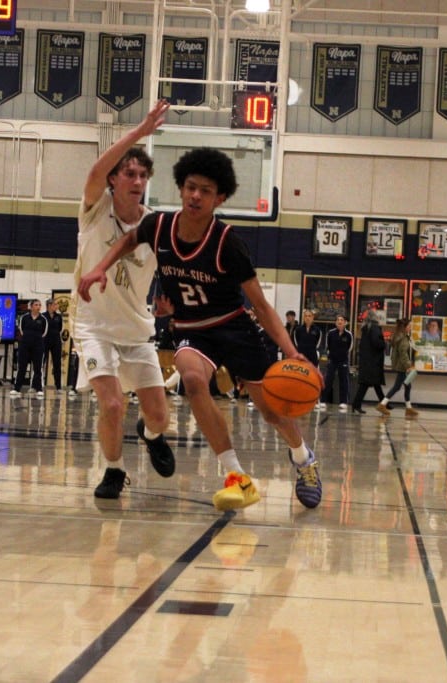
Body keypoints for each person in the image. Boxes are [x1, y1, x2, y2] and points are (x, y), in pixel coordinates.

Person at [79, 145, 321, 511]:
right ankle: (237, 477)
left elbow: (260, 304)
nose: (195, 195)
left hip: (234, 328)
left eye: (205, 191)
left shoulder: (228, 243)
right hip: (193, 329)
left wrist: (290, 351)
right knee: (192, 380)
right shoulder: (158, 225)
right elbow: (131, 239)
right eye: (190, 187)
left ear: (219, 198)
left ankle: (304, 460)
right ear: (180, 187)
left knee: (272, 411)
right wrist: (100, 267)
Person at [68, 99, 175, 499]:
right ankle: (114, 470)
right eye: (129, 173)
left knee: (160, 417)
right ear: (114, 179)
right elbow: (95, 170)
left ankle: (149, 435)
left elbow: (171, 270)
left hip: (136, 330)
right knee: (112, 404)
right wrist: (139, 133)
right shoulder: (95, 210)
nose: (136, 180)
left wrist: (172, 304)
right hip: (94, 325)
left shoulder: (155, 225)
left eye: (142, 175)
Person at [377, 317, 418, 417]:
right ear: (405, 327)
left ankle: (408, 408)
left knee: (408, 385)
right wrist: (408, 366)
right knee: (397, 386)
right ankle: (382, 404)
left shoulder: (400, 336)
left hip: (401, 364)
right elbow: (403, 353)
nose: (410, 327)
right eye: (409, 326)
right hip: (402, 366)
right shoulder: (403, 338)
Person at [351, 309, 386, 414]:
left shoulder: (365, 329)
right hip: (373, 361)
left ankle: (384, 403)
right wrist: (384, 344)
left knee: (373, 384)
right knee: (367, 384)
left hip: (366, 360)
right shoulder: (375, 328)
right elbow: (376, 342)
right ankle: (357, 404)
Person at [11, 299, 48, 399]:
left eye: (40, 305)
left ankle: (39, 389)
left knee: (37, 368)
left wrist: (35, 339)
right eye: (36, 305)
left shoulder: (43, 319)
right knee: (21, 367)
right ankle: (17, 388)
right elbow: (21, 330)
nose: (38, 307)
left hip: (38, 346)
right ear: (31, 307)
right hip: (25, 345)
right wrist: (28, 338)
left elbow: (44, 333)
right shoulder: (24, 318)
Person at [322, 314, 352, 412]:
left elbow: (350, 347)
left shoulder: (348, 335)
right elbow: (328, 345)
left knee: (344, 381)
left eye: (342, 320)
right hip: (332, 360)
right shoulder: (330, 333)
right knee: (328, 380)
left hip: (343, 361)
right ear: (335, 322)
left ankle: (343, 402)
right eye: (338, 320)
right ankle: (323, 401)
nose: (339, 321)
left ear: (345, 322)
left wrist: (343, 354)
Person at [42, 299, 64, 393]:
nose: (57, 306)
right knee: (41, 362)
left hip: (56, 341)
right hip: (44, 341)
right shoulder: (43, 316)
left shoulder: (58, 317)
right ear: (49, 305)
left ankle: (58, 386)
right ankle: (37, 385)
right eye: (55, 304)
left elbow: (60, 328)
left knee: (57, 364)